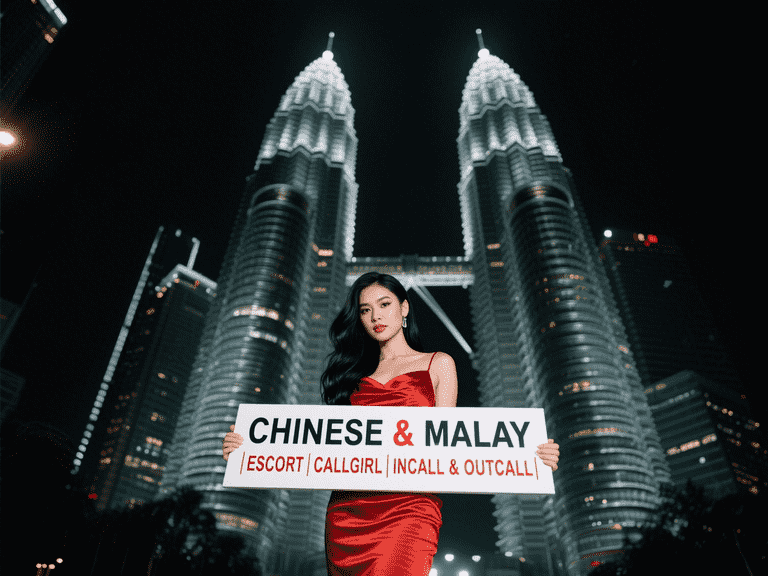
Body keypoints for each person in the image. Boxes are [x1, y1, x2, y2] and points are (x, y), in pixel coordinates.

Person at [223, 272, 560, 575]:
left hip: (410, 507)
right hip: (347, 512)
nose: (376, 316)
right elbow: (318, 442)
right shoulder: (350, 375)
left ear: (404, 308)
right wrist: (246, 448)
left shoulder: (438, 364)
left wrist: (531, 454)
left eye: (384, 304)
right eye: (365, 310)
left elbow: (452, 446)